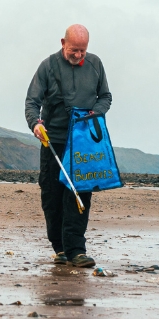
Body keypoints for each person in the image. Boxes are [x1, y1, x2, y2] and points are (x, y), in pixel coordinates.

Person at [24, 24, 112, 269]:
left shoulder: (95, 64)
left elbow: (106, 96)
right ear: (63, 43)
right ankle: (60, 248)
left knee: (78, 194)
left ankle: (76, 250)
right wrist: (35, 124)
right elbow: (32, 102)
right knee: (52, 197)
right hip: (53, 140)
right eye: (74, 50)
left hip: (83, 143)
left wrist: (95, 113)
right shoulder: (47, 66)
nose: (78, 55)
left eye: (82, 51)